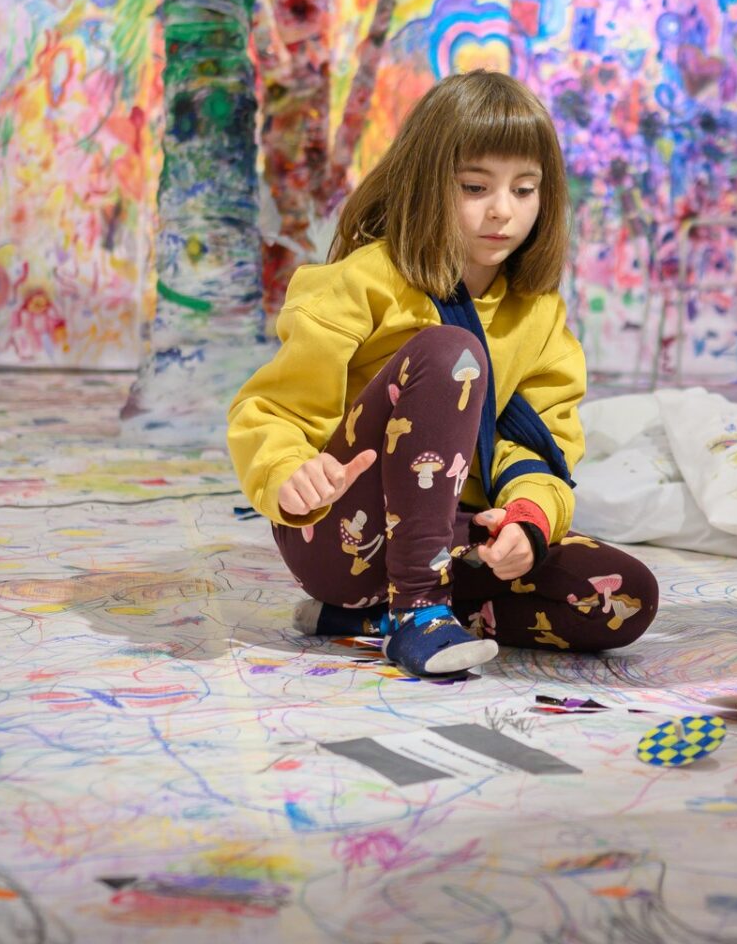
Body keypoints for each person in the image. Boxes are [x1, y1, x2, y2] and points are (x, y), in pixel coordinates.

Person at [228, 71, 657, 677]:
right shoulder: (361, 282)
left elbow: (541, 450)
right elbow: (271, 411)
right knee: (451, 353)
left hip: (451, 535)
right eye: (475, 186)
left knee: (623, 596)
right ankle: (416, 614)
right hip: (340, 535)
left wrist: (526, 521)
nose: (503, 211)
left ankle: (366, 619)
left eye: (525, 189)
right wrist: (288, 471)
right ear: (428, 182)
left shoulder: (539, 316)